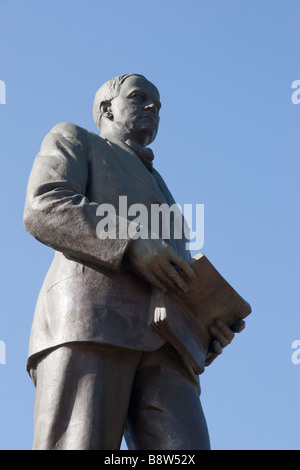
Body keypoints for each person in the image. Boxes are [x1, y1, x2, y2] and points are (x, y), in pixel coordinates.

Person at [24, 74, 238, 450]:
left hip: (169, 349)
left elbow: (175, 275)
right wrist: (131, 241)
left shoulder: (166, 194)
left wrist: (203, 329)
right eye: (139, 97)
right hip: (91, 323)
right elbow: (45, 204)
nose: (153, 108)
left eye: (158, 105)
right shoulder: (75, 138)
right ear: (107, 108)